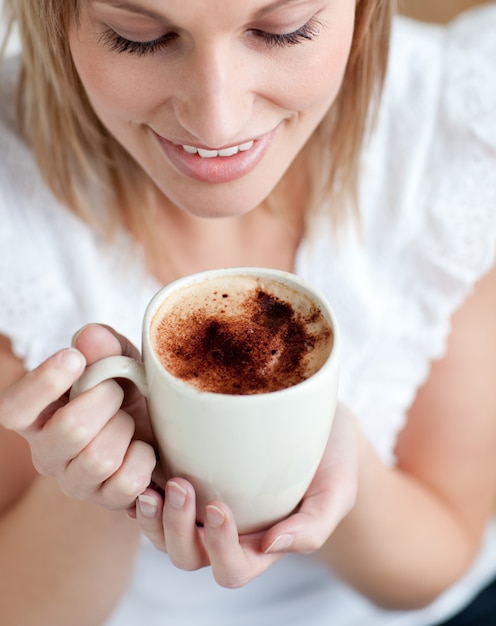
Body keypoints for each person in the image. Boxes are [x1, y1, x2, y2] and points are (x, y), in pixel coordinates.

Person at [0, 1, 495, 625]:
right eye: (139, 37)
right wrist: (94, 480)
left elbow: (438, 561)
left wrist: (325, 459)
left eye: (283, 31)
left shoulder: (446, 135)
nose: (216, 119)